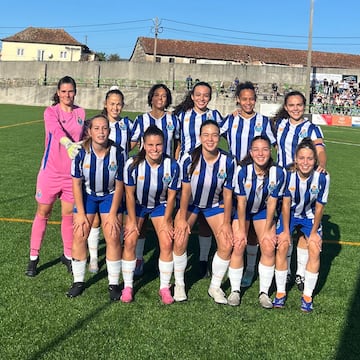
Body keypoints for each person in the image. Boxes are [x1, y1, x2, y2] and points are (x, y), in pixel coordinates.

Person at [25, 76, 85, 277]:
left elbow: (84, 135)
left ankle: (67, 255)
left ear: (75, 92)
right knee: (43, 213)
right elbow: (55, 129)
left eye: (71, 91)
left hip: (70, 176)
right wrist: (67, 143)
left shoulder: (80, 112)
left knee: (68, 216)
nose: (68, 95)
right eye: (64, 91)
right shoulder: (50, 112)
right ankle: (34, 258)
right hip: (50, 173)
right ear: (58, 92)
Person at [220, 81, 276, 288]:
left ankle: (250, 268)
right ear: (238, 100)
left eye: (251, 99)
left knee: (253, 226)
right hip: (235, 179)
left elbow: (273, 145)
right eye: (244, 99)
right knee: (236, 225)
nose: (248, 102)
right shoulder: (230, 120)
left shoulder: (263, 121)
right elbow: (213, 136)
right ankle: (229, 264)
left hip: (258, 180)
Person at [174, 120, 236, 304]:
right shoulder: (188, 158)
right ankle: (179, 284)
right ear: (200, 137)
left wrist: (226, 222)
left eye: (214, 135)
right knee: (180, 237)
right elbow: (185, 191)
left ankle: (215, 287)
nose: (210, 139)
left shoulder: (228, 161)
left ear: (219, 137)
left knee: (226, 243)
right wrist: (182, 218)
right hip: (191, 204)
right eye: (206, 135)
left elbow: (227, 193)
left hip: (214, 205)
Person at [272, 90, 327, 288]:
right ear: (286, 107)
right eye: (292, 105)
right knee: (285, 228)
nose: (296, 108)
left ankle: (300, 273)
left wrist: (320, 166)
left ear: (304, 106)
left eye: (299, 105)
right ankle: (284, 271)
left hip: (304, 182)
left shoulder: (312, 128)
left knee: (304, 230)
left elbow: (320, 152)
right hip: (283, 182)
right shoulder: (279, 125)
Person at [67, 114, 124, 300]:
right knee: (80, 233)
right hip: (87, 196)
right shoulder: (79, 152)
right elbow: (76, 184)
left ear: (109, 130)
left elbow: (119, 185)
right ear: (89, 132)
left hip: (109, 196)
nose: (101, 132)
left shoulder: (119, 152)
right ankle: (78, 281)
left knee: (113, 235)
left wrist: (114, 212)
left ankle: (113, 284)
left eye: (105, 128)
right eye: (97, 128)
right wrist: (81, 213)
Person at [121, 126, 180, 304]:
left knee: (167, 241)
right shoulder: (132, 164)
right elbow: (129, 195)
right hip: (137, 206)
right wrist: (131, 221)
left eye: (158, 145)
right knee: (130, 240)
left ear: (164, 145)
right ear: (143, 145)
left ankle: (164, 287)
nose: (154, 149)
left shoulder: (172, 166)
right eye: (150, 145)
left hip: (159, 206)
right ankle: (128, 286)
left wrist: (168, 221)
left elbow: (171, 198)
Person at [174, 81, 224, 278]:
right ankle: (174, 260)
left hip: (210, 171)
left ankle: (203, 260)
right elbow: (177, 142)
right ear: (192, 96)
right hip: (186, 172)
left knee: (204, 218)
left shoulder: (216, 116)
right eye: (199, 95)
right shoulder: (182, 117)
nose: (202, 98)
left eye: (206, 95)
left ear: (210, 98)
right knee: (181, 216)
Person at [130, 84, 179, 277]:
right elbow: (132, 143)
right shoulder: (141, 119)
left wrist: (173, 162)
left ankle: (165, 260)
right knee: (140, 224)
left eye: (164, 95)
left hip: (166, 176)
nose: (161, 98)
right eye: (157, 95)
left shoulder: (172, 119)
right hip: (145, 176)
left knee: (166, 223)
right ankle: (139, 259)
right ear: (151, 98)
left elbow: (177, 143)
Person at [276, 138, 330, 312]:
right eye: (301, 158)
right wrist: (285, 230)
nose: (305, 162)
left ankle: (307, 296)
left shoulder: (323, 177)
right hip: (290, 214)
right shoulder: (287, 173)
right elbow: (285, 204)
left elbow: (320, 208)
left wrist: (314, 233)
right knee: (283, 245)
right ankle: (280, 292)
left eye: (309, 158)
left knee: (314, 247)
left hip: (310, 216)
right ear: (295, 159)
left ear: (315, 160)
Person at [232, 135, 286, 308]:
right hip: (243, 211)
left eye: (264, 149)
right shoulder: (242, 170)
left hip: (263, 211)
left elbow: (272, 202)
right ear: (250, 152)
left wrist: (269, 228)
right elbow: (240, 202)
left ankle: (264, 292)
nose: (260, 153)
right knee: (239, 243)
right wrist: (241, 228)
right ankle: (235, 290)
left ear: (270, 151)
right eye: (256, 149)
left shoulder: (278, 172)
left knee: (268, 245)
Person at [86, 87, 132, 273]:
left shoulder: (126, 124)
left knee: (116, 220)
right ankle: (95, 258)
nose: (115, 107)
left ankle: (116, 255)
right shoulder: (96, 123)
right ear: (105, 104)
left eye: (119, 104)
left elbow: (133, 143)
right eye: (112, 103)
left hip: (118, 181)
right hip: (96, 179)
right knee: (95, 220)